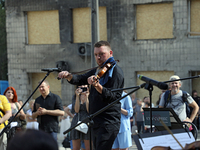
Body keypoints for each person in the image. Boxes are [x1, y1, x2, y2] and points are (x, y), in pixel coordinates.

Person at [58, 40, 124, 150]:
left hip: (108, 122)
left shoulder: (115, 71)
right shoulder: (97, 71)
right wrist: (69, 76)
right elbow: (80, 78)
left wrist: (97, 86)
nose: (98, 57)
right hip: (95, 121)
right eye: (96, 55)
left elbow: (114, 97)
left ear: (110, 53)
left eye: (102, 54)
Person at [70, 85, 90, 150]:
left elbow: (89, 110)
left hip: (87, 122)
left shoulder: (90, 96)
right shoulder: (75, 96)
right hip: (77, 121)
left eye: (84, 86)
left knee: (88, 147)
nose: (82, 87)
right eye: (80, 86)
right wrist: (78, 96)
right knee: (75, 148)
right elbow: (76, 110)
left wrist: (86, 97)